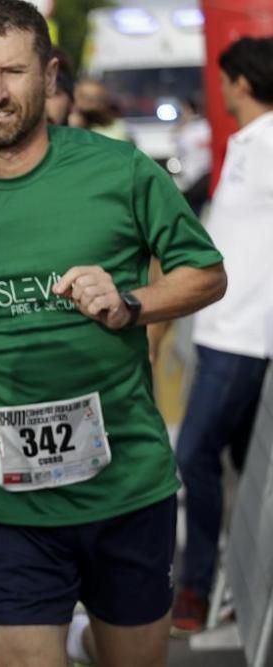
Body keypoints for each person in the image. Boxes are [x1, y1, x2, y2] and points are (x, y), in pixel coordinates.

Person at [0, 2, 227, 666]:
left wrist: (131, 302)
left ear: (49, 74)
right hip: (4, 501)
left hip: (125, 484)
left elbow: (206, 274)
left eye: (14, 71)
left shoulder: (120, 172)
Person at [171, 36, 273, 636]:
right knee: (242, 466)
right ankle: (239, 585)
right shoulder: (243, 143)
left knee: (195, 455)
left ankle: (198, 586)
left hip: (246, 336)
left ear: (238, 82)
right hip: (219, 330)